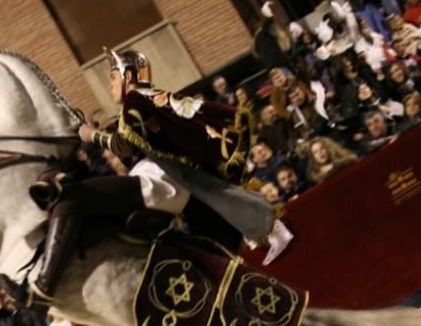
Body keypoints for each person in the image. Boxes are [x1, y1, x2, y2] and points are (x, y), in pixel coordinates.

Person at [26, 49, 277, 307]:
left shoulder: (138, 99)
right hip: (163, 183)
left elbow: (126, 146)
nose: (111, 86)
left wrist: (93, 135)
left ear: (129, 77)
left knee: (74, 195)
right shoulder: (148, 102)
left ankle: (45, 286)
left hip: (160, 181)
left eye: (113, 79)